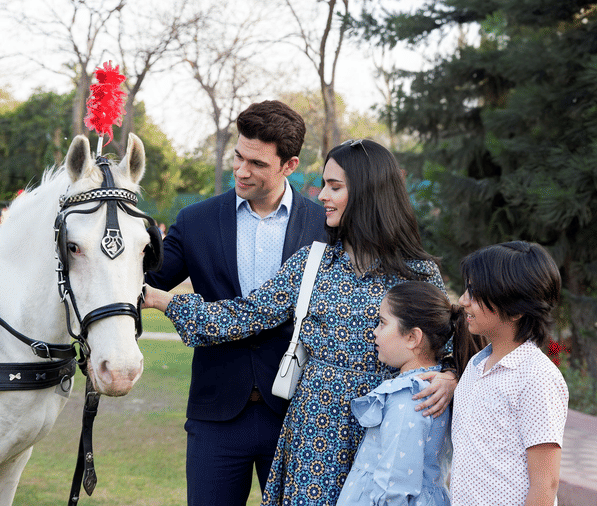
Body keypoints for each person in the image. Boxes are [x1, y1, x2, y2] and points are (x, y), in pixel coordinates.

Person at [144, 138, 457, 506]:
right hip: (316, 437)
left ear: (370, 193)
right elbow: (244, 315)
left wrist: (451, 376)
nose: (321, 195)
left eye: (335, 187)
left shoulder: (418, 272)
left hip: (386, 434)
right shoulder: (315, 262)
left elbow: (446, 345)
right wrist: (159, 299)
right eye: (323, 184)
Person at [144, 100, 326, 506]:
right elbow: (142, 281)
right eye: (238, 157)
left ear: (289, 165)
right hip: (216, 414)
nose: (241, 171)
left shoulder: (325, 227)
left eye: (257, 164)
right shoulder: (196, 221)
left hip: (298, 414)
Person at [336, 281, 485, 506]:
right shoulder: (433, 384)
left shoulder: (409, 397)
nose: (374, 332)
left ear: (412, 338)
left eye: (382, 323)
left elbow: (395, 485)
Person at [451, 241, 568, 506]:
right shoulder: (476, 366)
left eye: (474, 292)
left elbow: (545, 484)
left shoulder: (536, 378)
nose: (462, 301)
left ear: (515, 309)